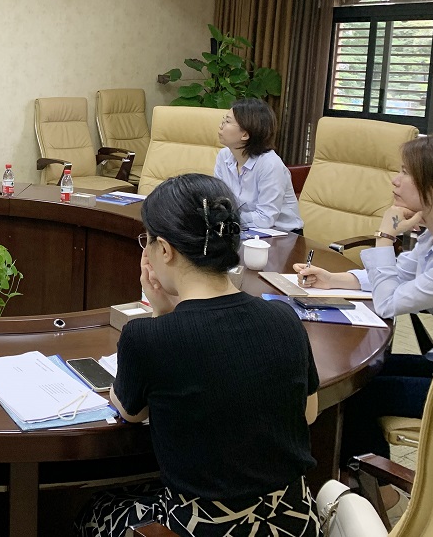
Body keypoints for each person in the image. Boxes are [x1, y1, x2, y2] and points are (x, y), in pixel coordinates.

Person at [75, 174, 319, 537]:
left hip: (203, 526)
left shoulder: (147, 338)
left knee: (94, 510)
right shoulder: (285, 317)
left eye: (147, 241)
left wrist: (161, 315)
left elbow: (129, 411)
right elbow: (308, 413)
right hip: (294, 521)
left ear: (164, 249)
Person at [294, 133, 433, 480]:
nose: (395, 181)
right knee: (369, 372)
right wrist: (333, 280)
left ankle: (371, 485)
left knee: (358, 390)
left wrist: (386, 236)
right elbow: (396, 274)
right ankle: (366, 481)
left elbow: (389, 301)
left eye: (406, 173)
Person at [214, 98, 303, 234]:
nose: (221, 126)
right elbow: (219, 201)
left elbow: (265, 218)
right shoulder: (224, 156)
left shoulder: (270, 164)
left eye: (227, 121)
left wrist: (227, 217)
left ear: (245, 135)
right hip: (244, 229)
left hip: (283, 235)